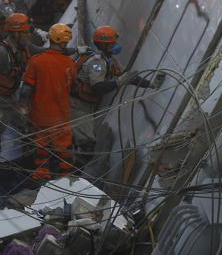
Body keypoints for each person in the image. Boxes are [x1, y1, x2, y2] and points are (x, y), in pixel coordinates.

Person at [71, 26, 165, 165]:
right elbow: (98, 88)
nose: (116, 46)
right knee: (87, 143)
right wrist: (119, 82)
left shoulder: (109, 61)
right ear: (103, 44)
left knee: (82, 139)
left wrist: (150, 84)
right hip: (76, 105)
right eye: (112, 43)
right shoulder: (97, 63)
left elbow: (128, 77)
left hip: (85, 104)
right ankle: (71, 176)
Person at [20, 23, 78, 181]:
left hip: (39, 115)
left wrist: (23, 112)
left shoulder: (36, 61)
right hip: (61, 117)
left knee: (41, 148)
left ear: (51, 38)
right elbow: (74, 89)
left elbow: (26, 90)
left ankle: (41, 176)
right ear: (65, 42)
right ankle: (66, 180)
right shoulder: (70, 64)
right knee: (64, 149)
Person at [0, 13, 31, 163]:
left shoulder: (21, 49)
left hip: (11, 97)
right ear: (15, 33)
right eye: (25, 33)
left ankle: (25, 159)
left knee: (24, 123)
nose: (28, 36)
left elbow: (38, 50)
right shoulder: (1, 53)